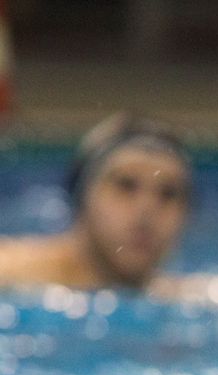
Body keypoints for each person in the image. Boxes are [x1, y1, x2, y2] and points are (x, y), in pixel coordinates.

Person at [0, 113, 197, 294]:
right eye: (126, 185)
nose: (146, 210)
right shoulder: (8, 275)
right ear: (82, 197)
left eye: (168, 194)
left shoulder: (187, 297)